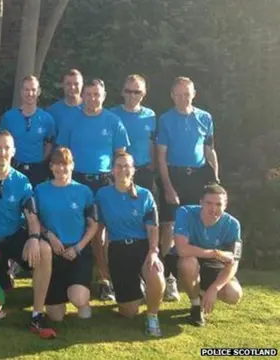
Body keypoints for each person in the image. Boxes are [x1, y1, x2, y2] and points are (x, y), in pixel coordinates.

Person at [0, 130, 56, 339]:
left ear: (13, 151)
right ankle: (1, 277)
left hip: (14, 236)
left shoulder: (23, 181)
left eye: (7, 148)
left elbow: (32, 216)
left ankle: (37, 313)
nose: (2, 152)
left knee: (44, 249)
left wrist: (34, 238)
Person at [66, 78, 130, 301]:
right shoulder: (72, 120)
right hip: (77, 182)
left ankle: (105, 280)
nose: (93, 98)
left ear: (103, 96)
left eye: (97, 94)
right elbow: (63, 153)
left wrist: (119, 182)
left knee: (101, 234)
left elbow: (121, 156)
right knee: (79, 230)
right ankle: (76, 277)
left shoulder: (113, 121)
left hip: (104, 182)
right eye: (89, 94)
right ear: (83, 96)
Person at [157, 76, 220, 302]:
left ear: (194, 94)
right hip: (174, 176)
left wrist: (216, 180)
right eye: (179, 94)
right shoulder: (165, 120)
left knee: (198, 226)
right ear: (172, 95)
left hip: (199, 177)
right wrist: (167, 187)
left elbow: (209, 150)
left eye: (187, 94)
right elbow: (161, 157)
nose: (183, 98)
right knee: (169, 229)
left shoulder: (205, 117)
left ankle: (197, 275)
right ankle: (169, 278)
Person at [96, 152, 165, 337]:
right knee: (128, 312)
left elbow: (153, 228)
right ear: (112, 170)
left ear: (133, 170)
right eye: (119, 165)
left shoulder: (145, 195)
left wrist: (153, 251)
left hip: (142, 247)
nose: (123, 169)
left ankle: (152, 317)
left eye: (127, 166)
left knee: (156, 273)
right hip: (118, 250)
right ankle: (138, 290)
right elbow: (98, 232)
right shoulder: (102, 195)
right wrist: (102, 266)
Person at [34, 147, 98, 322]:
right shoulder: (40, 190)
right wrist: (49, 235)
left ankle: (84, 302)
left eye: (65, 164)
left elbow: (93, 226)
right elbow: (34, 221)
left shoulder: (84, 192)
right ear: (51, 167)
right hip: (53, 252)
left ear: (72, 166)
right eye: (56, 164)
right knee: (55, 316)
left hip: (77, 251)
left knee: (77, 297)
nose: (60, 169)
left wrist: (77, 248)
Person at [174, 184, 242, 327]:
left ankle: (203, 290)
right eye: (209, 203)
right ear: (201, 203)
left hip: (212, 262)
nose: (213, 209)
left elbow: (234, 261)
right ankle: (196, 305)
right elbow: (182, 250)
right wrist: (215, 253)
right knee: (188, 262)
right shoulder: (185, 212)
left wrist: (215, 288)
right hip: (187, 259)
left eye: (218, 204)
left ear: (226, 205)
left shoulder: (233, 224)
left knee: (234, 294)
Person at [0, 75, 56, 186]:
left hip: (37, 170)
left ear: (39, 91)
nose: (30, 93)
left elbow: (50, 141)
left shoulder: (46, 119)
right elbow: (0, 142)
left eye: (33, 90)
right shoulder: (9, 117)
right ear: (21, 92)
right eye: (26, 89)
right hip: (14, 167)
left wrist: (42, 159)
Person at [109, 75, 157, 190]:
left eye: (137, 92)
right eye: (128, 91)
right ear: (122, 92)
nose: (132, 95)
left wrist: (153, 168)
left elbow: (152, 142)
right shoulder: (111, 115)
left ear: (143, 93)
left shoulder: (150, 116)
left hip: (144, 172)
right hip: (119, 173)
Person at [47, 69, 84, 148]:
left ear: (82, 85)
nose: (72, 87)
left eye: (76, 84)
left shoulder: (91, 109)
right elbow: (47, 141)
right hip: (60, 159)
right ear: (63, 85)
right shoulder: (52, 111)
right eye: (68, 84)